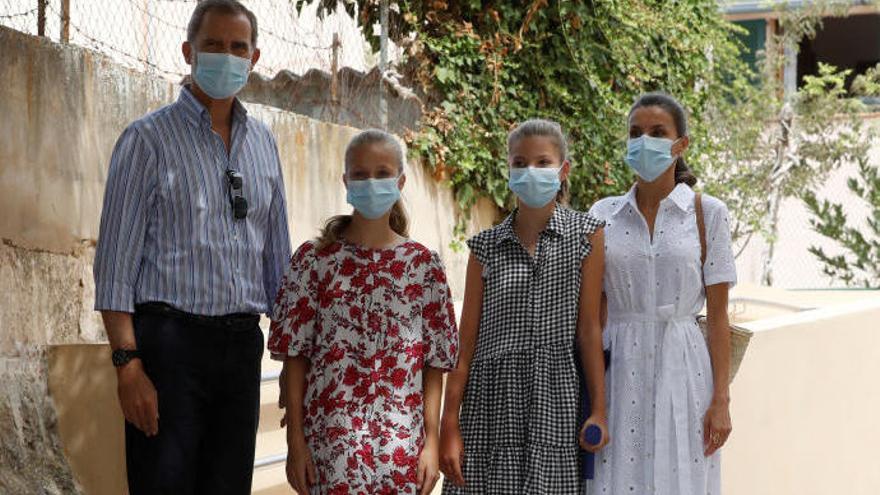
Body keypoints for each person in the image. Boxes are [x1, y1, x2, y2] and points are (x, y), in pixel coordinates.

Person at [92, 1, 290, 493]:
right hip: (169, 349)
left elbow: (278, 266)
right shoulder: (147, 140)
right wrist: (127, 366)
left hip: (242, 349)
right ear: (188, 51)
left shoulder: (264, 144)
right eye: (214, 45)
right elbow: (115, 264)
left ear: (255, 57)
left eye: (237, 47)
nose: (227, 56)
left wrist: (291, 364)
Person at [269, 129, 459, 495]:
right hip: (330, 447)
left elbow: (435, 364)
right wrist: (296, 442)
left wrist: (431, 443)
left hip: (400, 451)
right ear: (345, 181)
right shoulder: (314, 261)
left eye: (382, 173)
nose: (371, 182)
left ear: (401, 181)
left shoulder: (423, 266)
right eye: (360, 174)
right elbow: (295, 356)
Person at [439, 119, 608, 494]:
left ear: (563, 170)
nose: (530, 171)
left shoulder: (587, 236)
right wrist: (448, 424)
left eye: (543, 162)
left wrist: (599, 409)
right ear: (509, 170)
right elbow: (464, 347)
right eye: (520, 162)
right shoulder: (484, 249)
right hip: (489, 407)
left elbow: (589, 330)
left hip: (556, 401)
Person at [587, 92, 736, 494]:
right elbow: (592, 316)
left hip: (686, 368)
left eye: (657, 132)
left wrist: (720, 400)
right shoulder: (601, 215)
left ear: (680, 144)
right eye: (635, 133)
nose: (644, 141)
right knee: (616, 479)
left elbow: (720, 315)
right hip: (618, 373)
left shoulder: (709, 214)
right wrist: (594, 401)